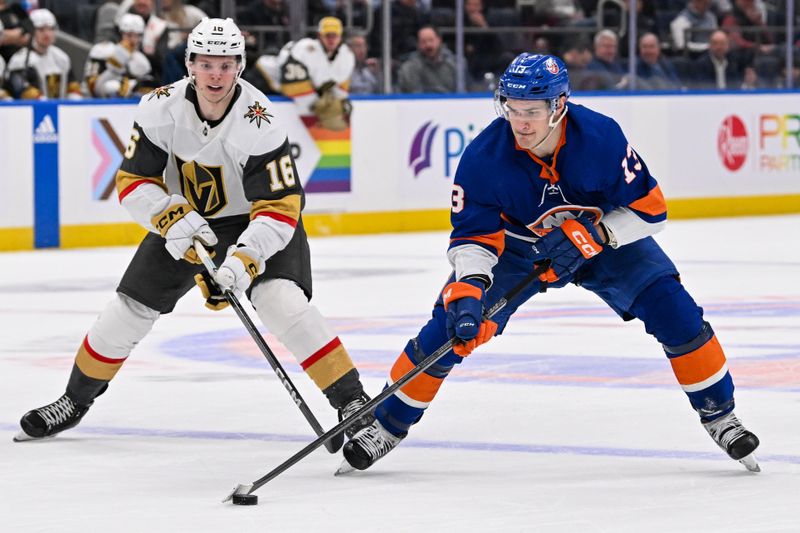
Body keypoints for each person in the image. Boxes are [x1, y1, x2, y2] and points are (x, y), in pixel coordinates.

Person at [340, 53, 761, 475]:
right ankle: (387, 425)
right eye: (513, 109)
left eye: (532, 112)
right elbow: (473, 236)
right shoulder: (484, 156)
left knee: (675, 310)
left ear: (559, 106)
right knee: (449, 328)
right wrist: (469, 285)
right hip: (517, 250)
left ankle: (720, 414)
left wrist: (600, 235)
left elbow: (652, 210)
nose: (520, 123)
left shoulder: (600, 136)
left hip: (602, 241)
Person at [14, 18, 372, 443]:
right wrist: (168, 216)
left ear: (240, 66)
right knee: (128, 309)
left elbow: (279, 207)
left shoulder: (260, 122)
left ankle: (352, 399)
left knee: (281, 301)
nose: (215, 75)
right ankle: (74, 401)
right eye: (206, 64)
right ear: (190, 64)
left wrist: (244, 259)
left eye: (225, 64)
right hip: (185, 219)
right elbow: (133, 182)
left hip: (255, 221)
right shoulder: (158, 108)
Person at [255, 16, 354, 130]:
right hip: (264, 79)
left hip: (286, 88)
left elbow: (341, 86)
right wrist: (317, 105)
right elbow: (291, 86)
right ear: (319, 36)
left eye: (334, 36)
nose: (331, 40)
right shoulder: (305, 49)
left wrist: (341, 102)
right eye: (327, 36)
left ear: (340, 37)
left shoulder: (347, 55)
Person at [3, 8, 82, 100]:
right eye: (41, 30)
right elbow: (22, 90)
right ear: (31, 31)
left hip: (61, 110)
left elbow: (73, 85)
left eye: (51, 29)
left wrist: (75, 100)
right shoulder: (20, 60)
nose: (47, 34)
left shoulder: (62, 57)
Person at [83, 13, 153, 98]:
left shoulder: (141, 60)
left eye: (137, 36)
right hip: (94, 104)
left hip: (129, 107)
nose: (133, 40)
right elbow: (92, 87)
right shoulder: (101, 50)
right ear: (119, 34)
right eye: (129, 35)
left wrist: (132, 88)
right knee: (112, 86)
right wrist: (116, 62)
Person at [397, 25, 459, 94]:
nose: (428, 45)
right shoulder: (409, 68)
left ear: (439, 40)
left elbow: (467, 91)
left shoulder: (455, 64)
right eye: (423, 41)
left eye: (431, 40)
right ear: (418, 44)